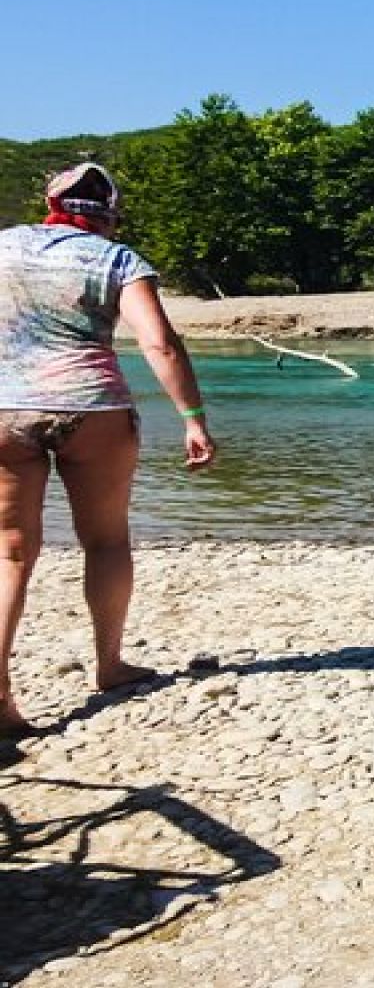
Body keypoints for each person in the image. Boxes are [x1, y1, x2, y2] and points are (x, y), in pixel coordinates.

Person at [1, 163, 216, 737]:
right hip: (91, 407)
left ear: (50, 201)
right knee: (106, 539)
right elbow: (159, 343)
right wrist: (193, 419)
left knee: (10, 553)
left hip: (2, 409)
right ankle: (110, 665)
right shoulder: (117, 259)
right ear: (110, 215)